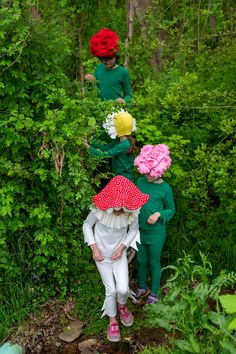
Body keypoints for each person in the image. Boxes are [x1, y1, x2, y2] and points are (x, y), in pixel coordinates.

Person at [82, 175, 149, 342]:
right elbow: (86, 225)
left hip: (119, 257)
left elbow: (133, 230)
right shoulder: (99, 208)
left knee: (123, 289)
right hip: (101, 257)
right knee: (110, 290)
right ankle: (112, 321)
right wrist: (94, 248)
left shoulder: (132, 211)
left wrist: (122, 248)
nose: (124, 208)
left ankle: (122, 305)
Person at [134, 144, 175, 304]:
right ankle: (142, 287)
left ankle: (155, 293)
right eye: (146, 173)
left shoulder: (165, 188)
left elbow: (171, 210)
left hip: (156, 232)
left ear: (160, 171)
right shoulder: (140, 181)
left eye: (152, 174)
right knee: (141, 261)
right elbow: (135, 200)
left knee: (153, 262)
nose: (148, 177)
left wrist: (159, 214)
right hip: (139, 230)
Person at [83, 110, 137, 181]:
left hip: (124, 180)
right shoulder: (119, 141)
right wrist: (90, 140)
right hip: (119, 178)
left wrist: (88, 147)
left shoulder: (124, 145)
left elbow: (105, 155)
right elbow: (104, 148)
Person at [85, 28, 132, 105]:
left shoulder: (122, 72)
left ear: (116, 56)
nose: (107, 61)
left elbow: (128, 95)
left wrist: (124, 101)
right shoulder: (98, 69)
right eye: (104, 59)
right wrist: (91, 83)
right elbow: (91, 91)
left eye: (110, 58)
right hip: (100, 109)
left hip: (116, 111)